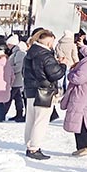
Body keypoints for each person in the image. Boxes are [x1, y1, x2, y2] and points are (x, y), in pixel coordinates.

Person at [23, 29, 66, 160]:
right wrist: (63, 65)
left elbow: (24, 72)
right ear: (48, 42)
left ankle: (29, 144)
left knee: (31, 120)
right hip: (44, 92)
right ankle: (34, 148)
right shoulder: (45, 55)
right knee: (40, 121)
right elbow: (56, 74)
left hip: (30, 91)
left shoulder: (30, 53)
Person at [8, 35, 27, 121]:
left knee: (10, 97)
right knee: (17, 97)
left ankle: (1, 113)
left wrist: (9, 71)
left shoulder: (19, 53)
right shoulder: (16, 52)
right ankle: (19, 113)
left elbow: (19, 66)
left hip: (17, 79)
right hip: (16, 79)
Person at [0, 37, 12, 121]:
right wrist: (10, 83)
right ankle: (1, 116)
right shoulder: (8, 63)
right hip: (5, 86)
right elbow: (12, 75)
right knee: (0, 103)